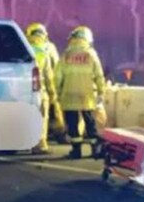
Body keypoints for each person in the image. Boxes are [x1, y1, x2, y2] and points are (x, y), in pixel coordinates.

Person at [55, 25, 106, 159]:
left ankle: (76, 151)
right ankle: (94, 150)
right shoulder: (91, 53)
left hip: (69, 94)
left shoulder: (66, 54)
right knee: (90, 123)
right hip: (87, 95)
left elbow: (57, 76)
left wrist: (59, 92)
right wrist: (101, 91)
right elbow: (99, 74)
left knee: (72, 124)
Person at [25, 23, 65, 153]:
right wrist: (53, 93)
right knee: (42, 116)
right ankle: (39, 144)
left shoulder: (24, 47)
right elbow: (50, 72)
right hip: (39, 89)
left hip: (21, 90)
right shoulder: (46, 48)